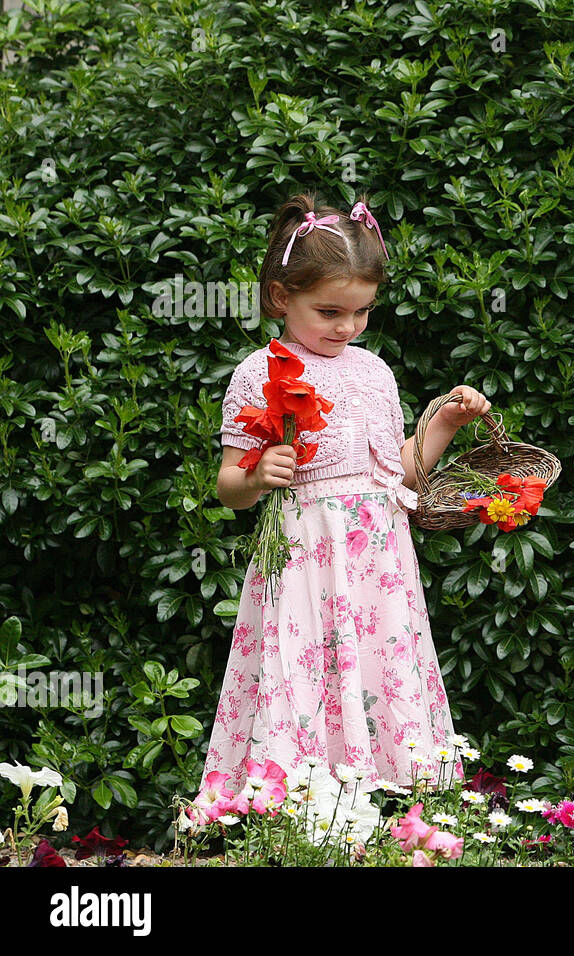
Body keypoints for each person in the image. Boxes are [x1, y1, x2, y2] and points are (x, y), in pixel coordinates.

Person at [198, 192, 490, 797]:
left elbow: (399, 474)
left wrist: (444, 426)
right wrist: (255, 476)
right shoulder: (262, 370)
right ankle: (295, 805)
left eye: (361, 313)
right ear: (282, 297)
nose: (348, 327)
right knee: (300, 671)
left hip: (378, 560)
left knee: (379, 668)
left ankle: (377, 804)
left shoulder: (374, 372)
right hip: (306, 554)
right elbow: (229, 488)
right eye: (330, 311)